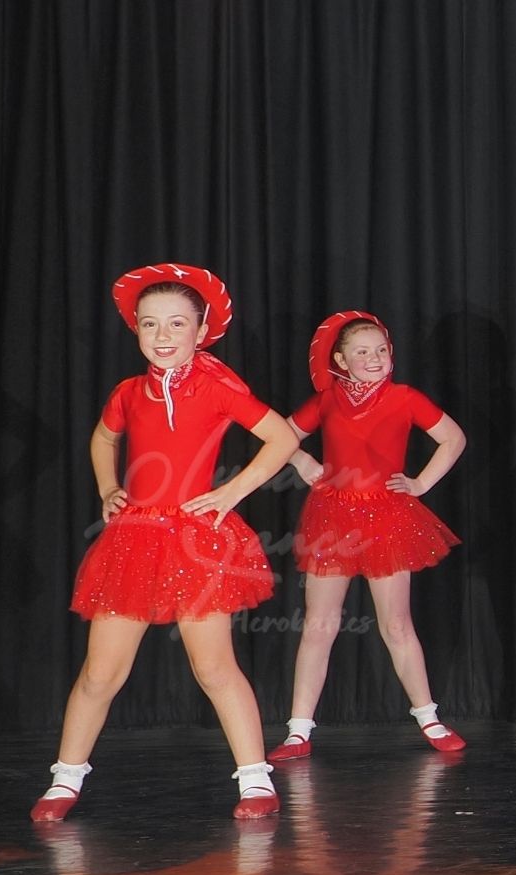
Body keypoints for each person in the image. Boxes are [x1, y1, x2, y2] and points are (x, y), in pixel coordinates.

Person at [33, 263, 297, 822]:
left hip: (198, 540)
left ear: (201, 332)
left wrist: (232, 491)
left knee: (214, 668)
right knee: (100, 672)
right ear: (136, 330)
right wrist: (108, 488)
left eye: (177, 323)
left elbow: (282, 436)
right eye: (150, 323)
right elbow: (103, 438)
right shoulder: (129, 392)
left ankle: (255, 779)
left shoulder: (218, 388)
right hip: (135, 540)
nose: (163, 335)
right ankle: (65, 778)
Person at [267, 311, 466, 762]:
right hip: (332, 518)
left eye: (380, 351)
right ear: (341, 360)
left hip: (386, 517)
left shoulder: (404, 397)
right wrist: (300, 461)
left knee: (396, 624)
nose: (374, 359)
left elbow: (453, 438)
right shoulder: (328, 400)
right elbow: (279, 434)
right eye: (362, 352)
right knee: (319, 625)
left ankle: (429, 718)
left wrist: (421, 483)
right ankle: (298, 731)